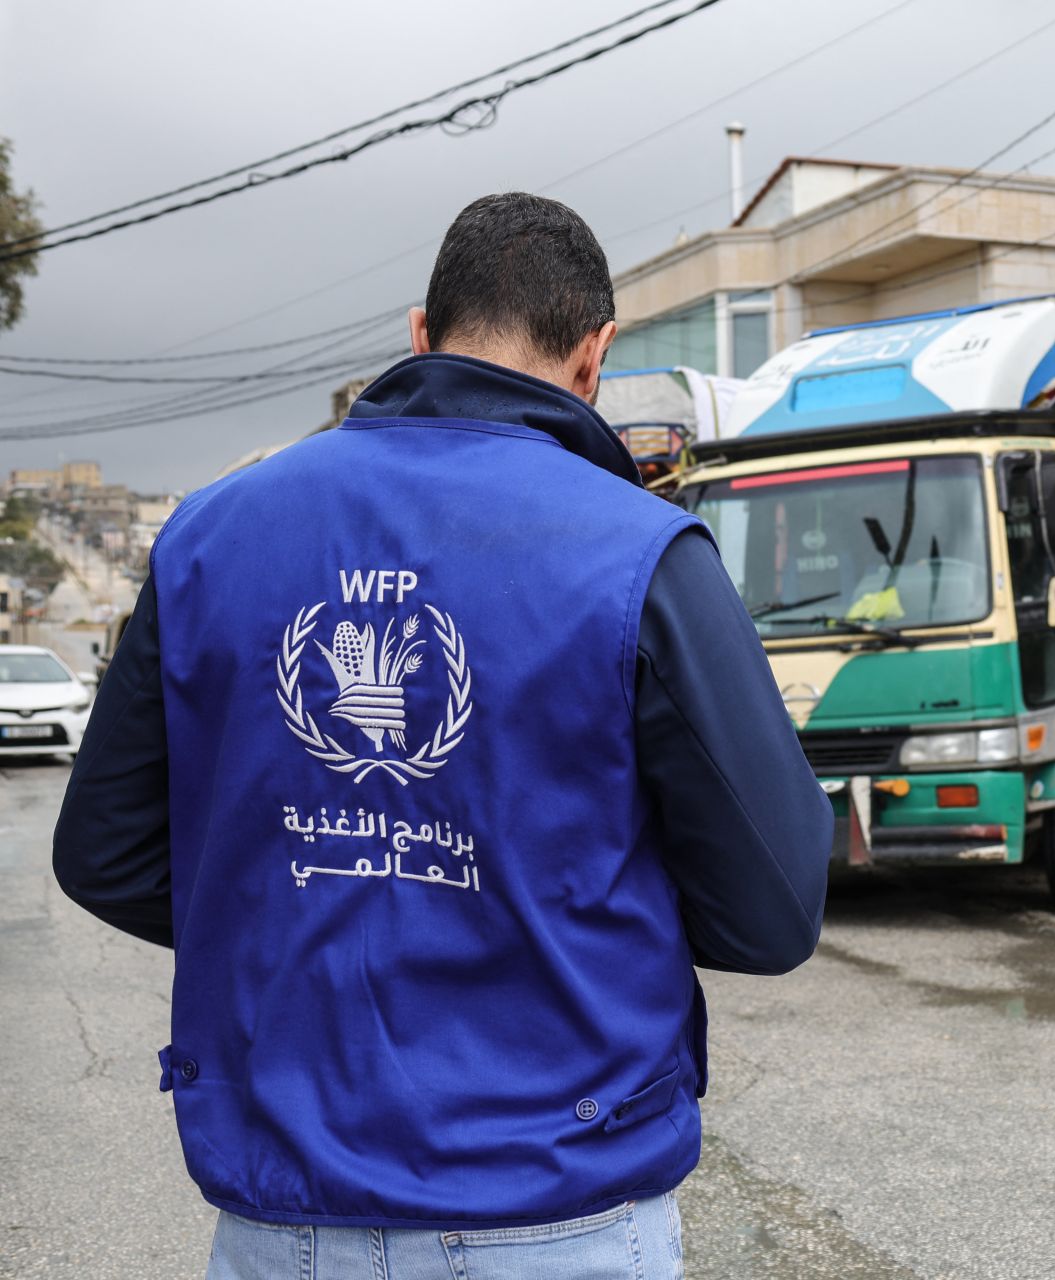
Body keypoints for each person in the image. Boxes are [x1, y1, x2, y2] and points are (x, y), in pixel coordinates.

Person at [51, 193, 832, 1274]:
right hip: (556, 1205)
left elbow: (104, 853)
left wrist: (299, 900)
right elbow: (772, 910)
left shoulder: (207, 538)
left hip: (281, 1221)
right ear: (595, 353)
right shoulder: (644, 553)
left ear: (420, 333)